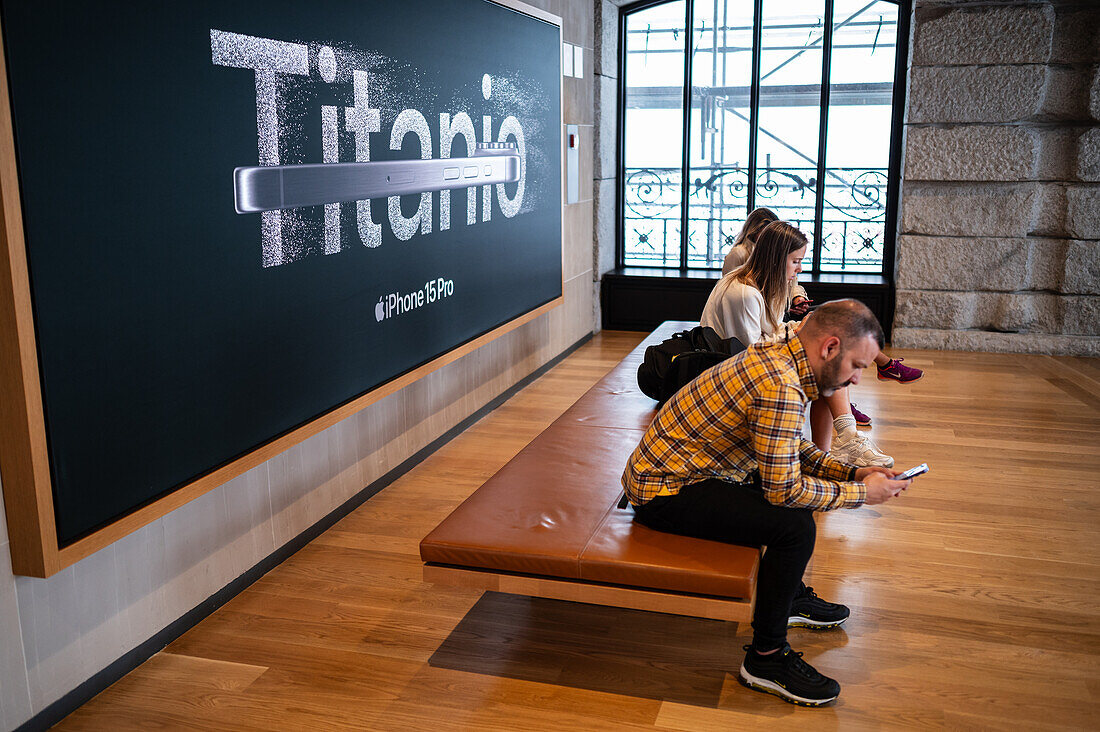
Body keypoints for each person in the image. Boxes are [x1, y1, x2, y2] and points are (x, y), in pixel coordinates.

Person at [622, 299, 913, 707]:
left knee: (790, 509)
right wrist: (863, 495)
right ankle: (765, 658)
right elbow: (785, 490)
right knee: (794, 528)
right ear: (829, 348)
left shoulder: (783, 357)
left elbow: (790, 446)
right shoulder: (780, 385)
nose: (858, 380)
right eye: (858, 366)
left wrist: (853, 473)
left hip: (695, 470)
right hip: (665, 490)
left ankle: (787, 594)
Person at [701, 221, 893, 467]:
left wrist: (798, 329)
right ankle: (843, 441)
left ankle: (834, 448)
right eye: (796, 261)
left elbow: (767, 334)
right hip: (732, 374)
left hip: (743, 363)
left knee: (827, 355)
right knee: (826, 364)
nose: (800, 268)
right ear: (776, 258)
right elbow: (750, 352)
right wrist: (799, 332)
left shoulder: (754, 285)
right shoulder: (744, 293)